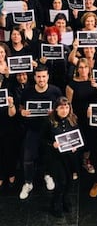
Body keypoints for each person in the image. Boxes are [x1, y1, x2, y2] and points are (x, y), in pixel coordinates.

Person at [19, 65, 62, 200]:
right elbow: (21, 105)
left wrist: (55, 113)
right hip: (33, 129)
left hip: (49, 131)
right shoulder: (27, 91)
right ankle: (28, 183)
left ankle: (47, 175)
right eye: (38, 77)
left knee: (48, 156)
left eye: (44, 76)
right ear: (34, 77)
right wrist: (22, 111)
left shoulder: (55, 91)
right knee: (27, 158)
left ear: (48, 76)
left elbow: (62, 108)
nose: (41, 79)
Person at [42, 97, 78, 217]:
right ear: (56, 108)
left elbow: (77, 136)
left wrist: (76, 145)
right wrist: (52, 144)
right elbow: (42, 139)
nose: (64, 110)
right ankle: (56, 204)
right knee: (61, 182)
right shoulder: (49, 121)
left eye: (67, 107)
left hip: (69, 157)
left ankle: (65, 200)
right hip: (55, 157)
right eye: (62, 107)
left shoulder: (73, 119)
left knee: (69, 181)